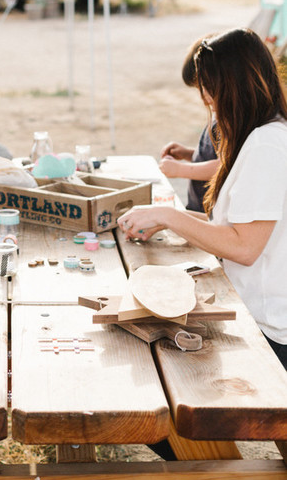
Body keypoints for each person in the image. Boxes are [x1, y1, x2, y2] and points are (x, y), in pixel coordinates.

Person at [119, 27, 287, 369]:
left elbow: (244, 247)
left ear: (231, 87)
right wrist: (161, 216)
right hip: (257, 314)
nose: (208, 103)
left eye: (210, 92)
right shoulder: (260, 137)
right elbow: (228, 227)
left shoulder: (267, 145)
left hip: (272, 329)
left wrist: (169, 218)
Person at [158, 36, 220, 213]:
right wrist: (187, 153)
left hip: (210, 213)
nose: (203, 97)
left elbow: (222, 166)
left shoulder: (228, 122)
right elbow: (212, 157)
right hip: (196, 208)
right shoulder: (216, 116)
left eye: (204, 88)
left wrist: (180, 170)